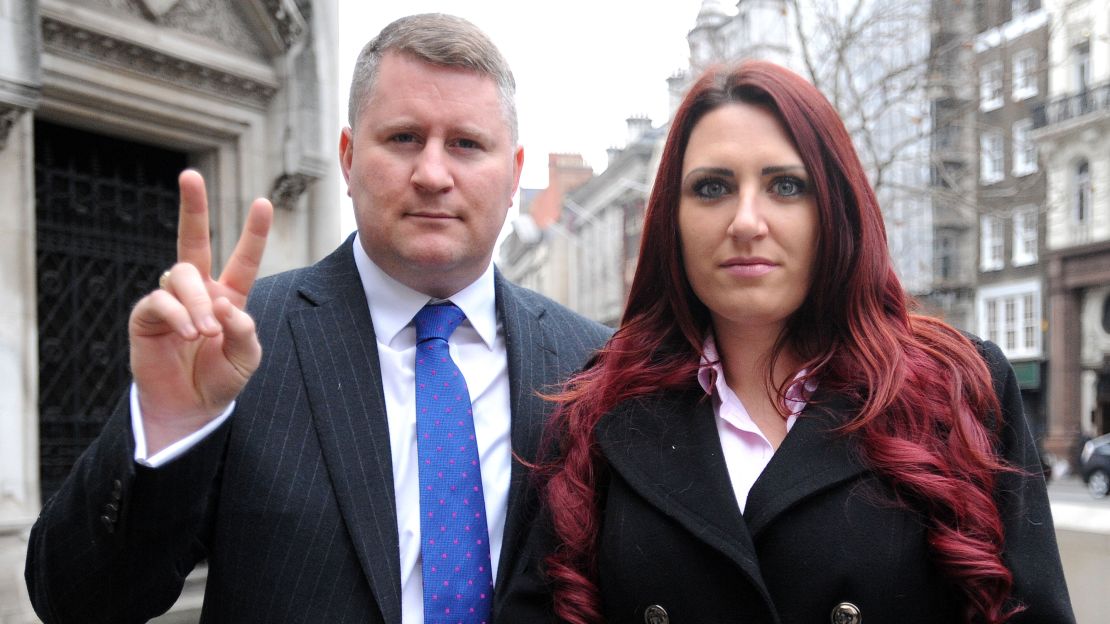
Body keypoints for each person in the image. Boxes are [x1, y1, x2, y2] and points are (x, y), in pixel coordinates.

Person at [25, 13, 610, 624]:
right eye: (404, 138)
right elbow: (76, 601)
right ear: (349, 157)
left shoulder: (591, 364)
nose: (433, 174)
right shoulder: (240, 345)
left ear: (514, 173)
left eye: (466, 144)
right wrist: (168, 425)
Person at [514, 61, 1075, 624]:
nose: (747, 221)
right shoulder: (600, 407)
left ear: (835, 208)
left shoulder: (959, 389)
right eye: (712, 188)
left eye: (786, 186)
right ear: (672, 219)